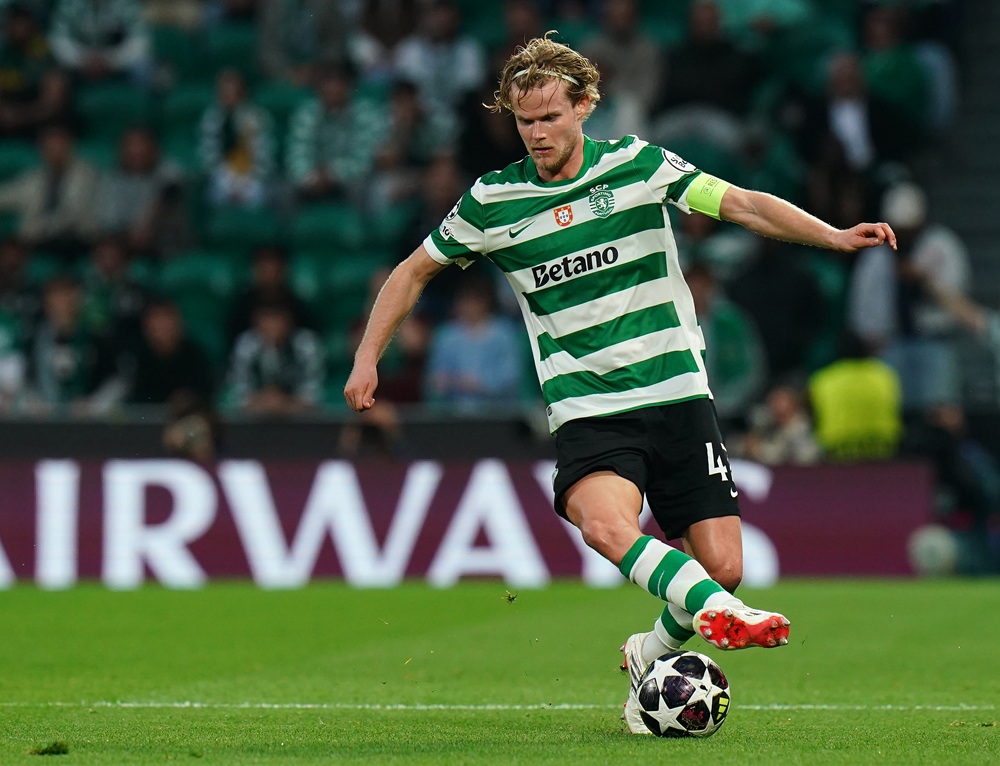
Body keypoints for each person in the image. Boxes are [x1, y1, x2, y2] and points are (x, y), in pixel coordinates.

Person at [344, 35, 896, 734]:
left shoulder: (638, 165)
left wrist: (834, 235)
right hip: (588, 407)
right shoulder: (492, 201)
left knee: (723, 566)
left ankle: (652, 649)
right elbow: (413, 271)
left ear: (583, 106)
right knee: (606, 525)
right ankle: (723, 615)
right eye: (525, 121)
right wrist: (368, 357)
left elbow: (742, 205)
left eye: (551, 117)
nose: (537, 133)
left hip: (676, 393)